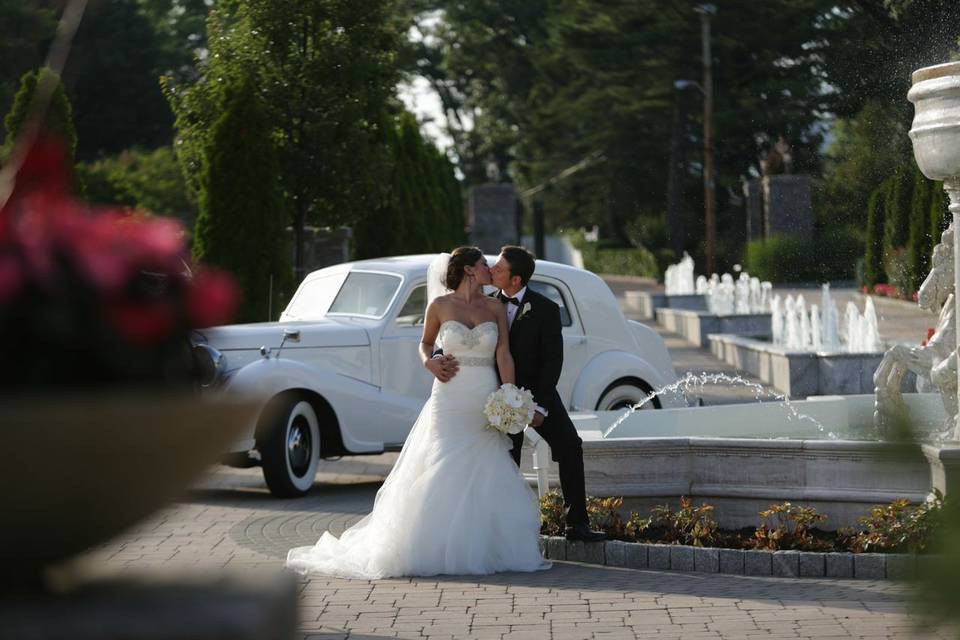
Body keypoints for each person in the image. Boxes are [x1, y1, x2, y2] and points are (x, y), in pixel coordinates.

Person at [286, 246, 550, 578]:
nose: (490, 268)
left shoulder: (495, 307)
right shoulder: (438, 306)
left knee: (485, 462)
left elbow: (503, 353)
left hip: (484, 392)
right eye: (484, 264)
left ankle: (483, 544)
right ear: (469, 270)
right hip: (449, 394)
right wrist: (430, 362)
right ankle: (431, 544)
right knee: (443, 460)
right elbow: (425, 343)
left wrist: (509, 394)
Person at [489, 246, 606, 543]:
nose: (493, 271)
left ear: (516, 280)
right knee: (505, 457)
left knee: (570, 446)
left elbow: (553, 361)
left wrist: (538, 406)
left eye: (499, 269)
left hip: (538, 393)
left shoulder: (546, 309)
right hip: (500, 396)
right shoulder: (486, 305)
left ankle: (576, 525)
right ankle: (503, 531)